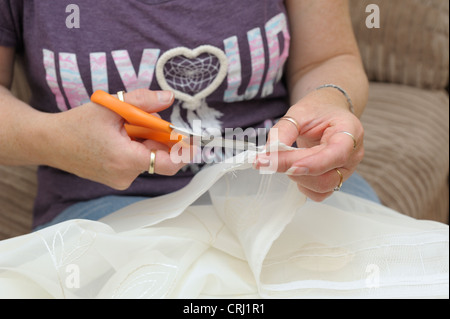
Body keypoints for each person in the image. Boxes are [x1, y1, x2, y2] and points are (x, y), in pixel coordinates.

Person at [0, 0, 379, 230]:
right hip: (104, 208)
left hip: (284, 188)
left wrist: (330, 100)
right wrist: (55, 140)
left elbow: (327, 58)